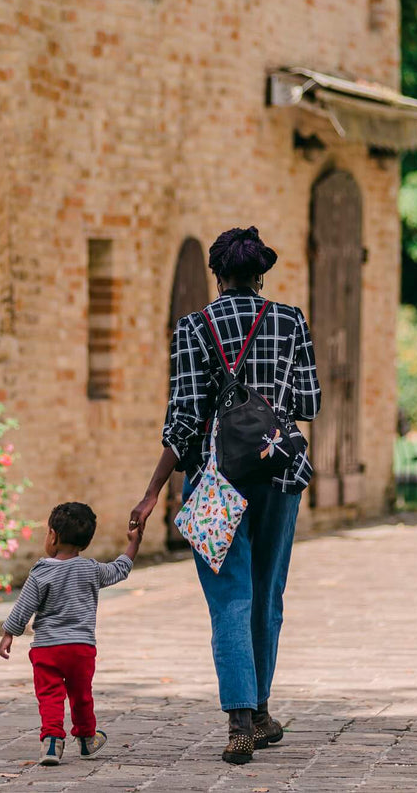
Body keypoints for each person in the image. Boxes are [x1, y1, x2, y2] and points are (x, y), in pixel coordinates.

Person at [129, 226, 321, 765]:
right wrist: (267, 405)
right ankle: (260, 712)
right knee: (268, 591)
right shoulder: (291, 321)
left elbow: (184, 418)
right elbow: (309, 400)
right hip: (279, 474)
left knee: (229, 597)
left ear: (217, 274)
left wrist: (151, 495)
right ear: (261, 274)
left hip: (215, 480)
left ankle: (239, 722)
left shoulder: (194, 327)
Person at [0, 502, 142, 766]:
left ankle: (52, 741)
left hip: (47, 649)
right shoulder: (91, 569)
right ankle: (87, 740)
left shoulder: (41, 572)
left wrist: (10, 633)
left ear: (52, 536)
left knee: (50, 695)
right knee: (81, 695)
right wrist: (134, 542)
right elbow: (121, 568)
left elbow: (24, 607)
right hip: (81, 648)